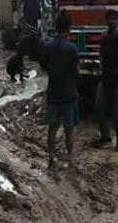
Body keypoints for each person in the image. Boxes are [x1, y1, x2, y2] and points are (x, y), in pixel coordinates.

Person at [40, 11, 79, 171]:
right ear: (69, 28)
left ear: (55, 27)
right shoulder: (72, 48)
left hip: (53, 93)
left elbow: (43, 65)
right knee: (69, 129)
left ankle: (51, 157)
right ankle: (70, 158)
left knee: (52, 128)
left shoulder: (48, 46)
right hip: (69, 93)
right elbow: (76, 71)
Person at [94, 9, 118, 151]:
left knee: (116, 109)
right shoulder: (104, 36)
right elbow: (101, 55)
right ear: (106, 21)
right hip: (106, 77)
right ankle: (105, 137)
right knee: (99, 106)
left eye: (114, 18)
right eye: (109, 18)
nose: (112, 21)